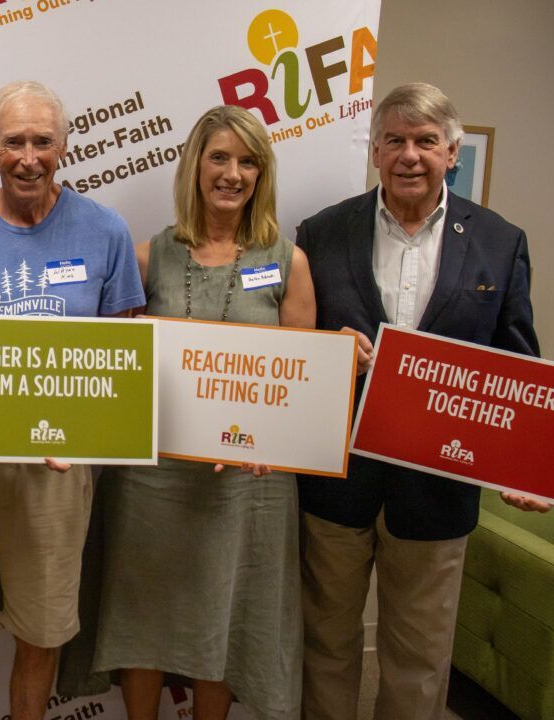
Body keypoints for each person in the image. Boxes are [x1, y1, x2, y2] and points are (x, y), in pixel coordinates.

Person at [295, 82, 545, 720]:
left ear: (452, 153)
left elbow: (514, 363)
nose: (411, 154)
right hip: (336, 481)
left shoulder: (499, 240)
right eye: (396, 140)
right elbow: (292, 349)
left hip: (439, 488)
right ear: (375, 151)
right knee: (325, 644)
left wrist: (524, 465)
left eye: (426, 141)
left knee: (419, 655)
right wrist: (330, 348)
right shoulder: (321, 232)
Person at [63, 105, 316, 720]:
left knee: (227, 620)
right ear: (195, 166)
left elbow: (301, 381)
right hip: (154, 479)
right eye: (220, 158)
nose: (232, 173)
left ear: (262, 173)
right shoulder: (147, 256)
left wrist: (276, 440)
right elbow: (111, 367)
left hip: (247, 483)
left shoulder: (288, 261)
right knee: (141, 616)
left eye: (247, 161)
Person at [0, 80, 145, 720]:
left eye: (43, 141)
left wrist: (94, 432)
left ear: (64, 145)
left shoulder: (106, 231)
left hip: (57, 466)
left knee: (41, 626)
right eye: (14, 141)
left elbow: (122, 354)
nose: (29, 156)